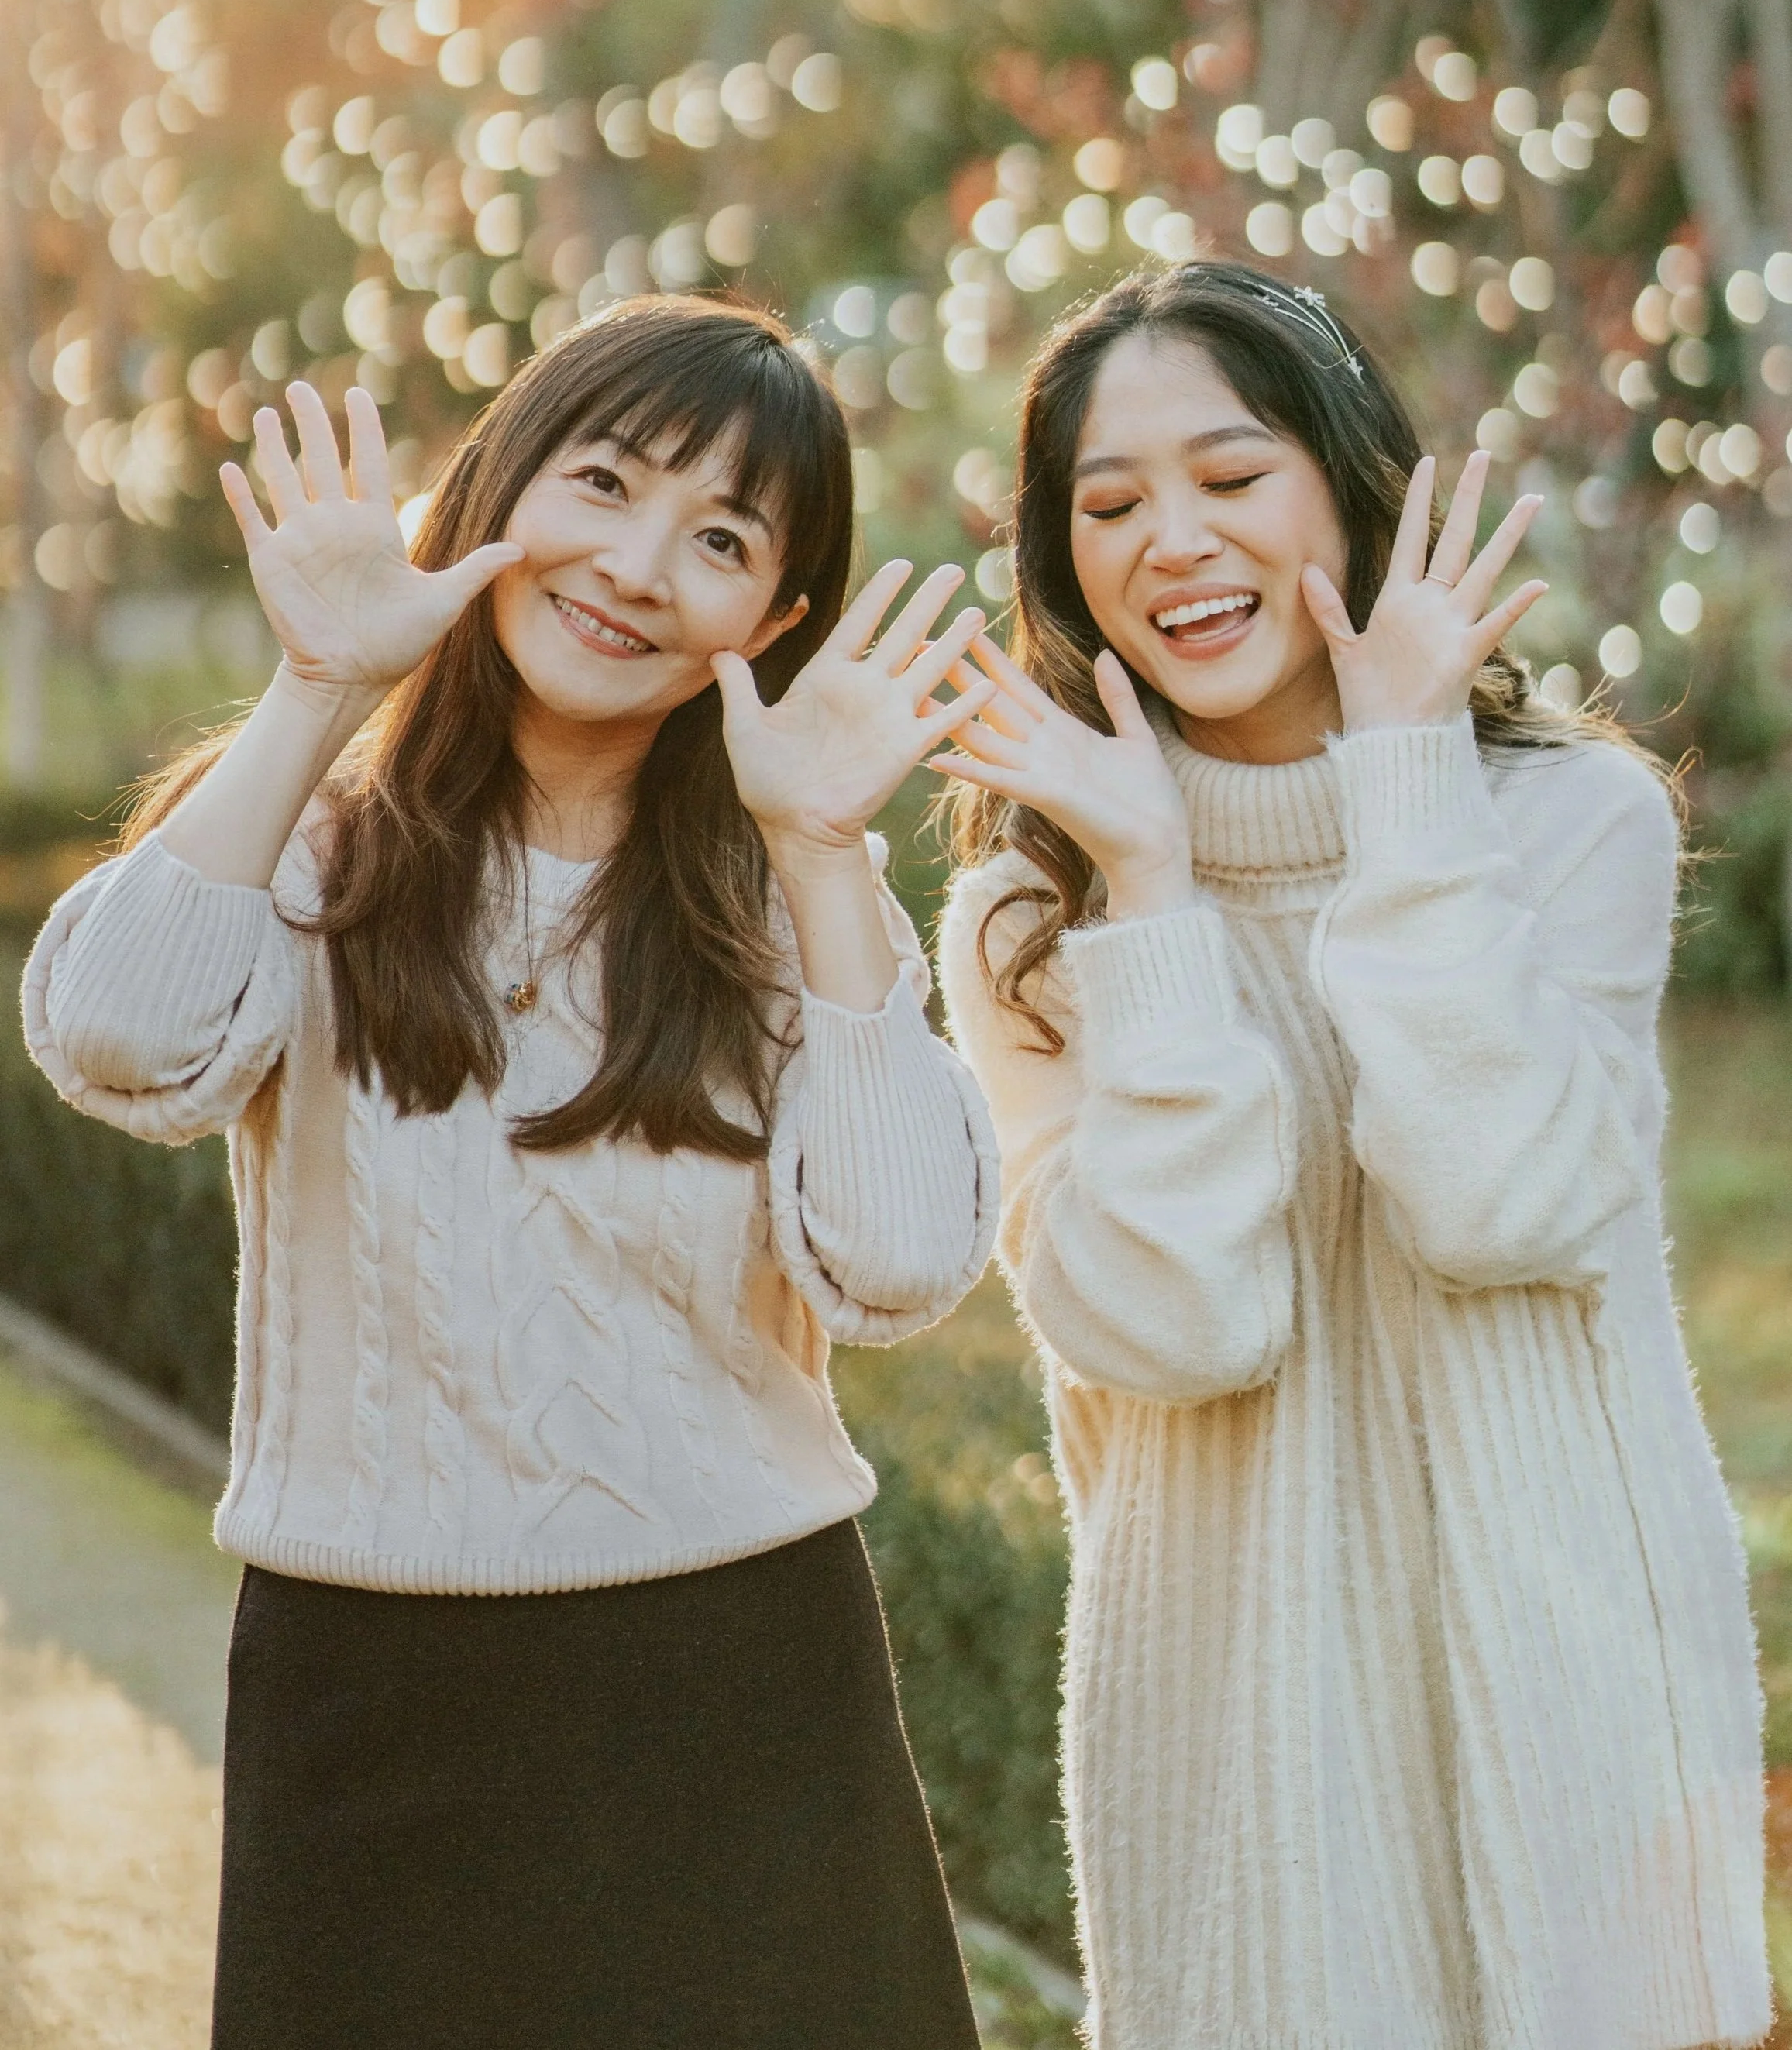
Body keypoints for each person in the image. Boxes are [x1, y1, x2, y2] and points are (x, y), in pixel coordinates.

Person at [23, 291, 1000, 2050]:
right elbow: (110, 1038)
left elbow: (905, 1261)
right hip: (369, 1694)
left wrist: (829, 852)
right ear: (493, 487)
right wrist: (320, 688)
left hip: (745, 1693)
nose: (636, 564)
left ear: (772, 617)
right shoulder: (313, 860)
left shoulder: (781, 917)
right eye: (603, 482)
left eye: (717, 538)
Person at [934, 261, 1769, 2050]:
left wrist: (1406, 784)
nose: (1173, 539)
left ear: (1345, 481)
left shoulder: (1566, 819)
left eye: (1230, 477)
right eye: (1109, 502)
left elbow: (1497, 1202)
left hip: (1577, 1717)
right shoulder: (1031, 910)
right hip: (1244, 1732)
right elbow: (1179, 1323)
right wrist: (1148, 892)